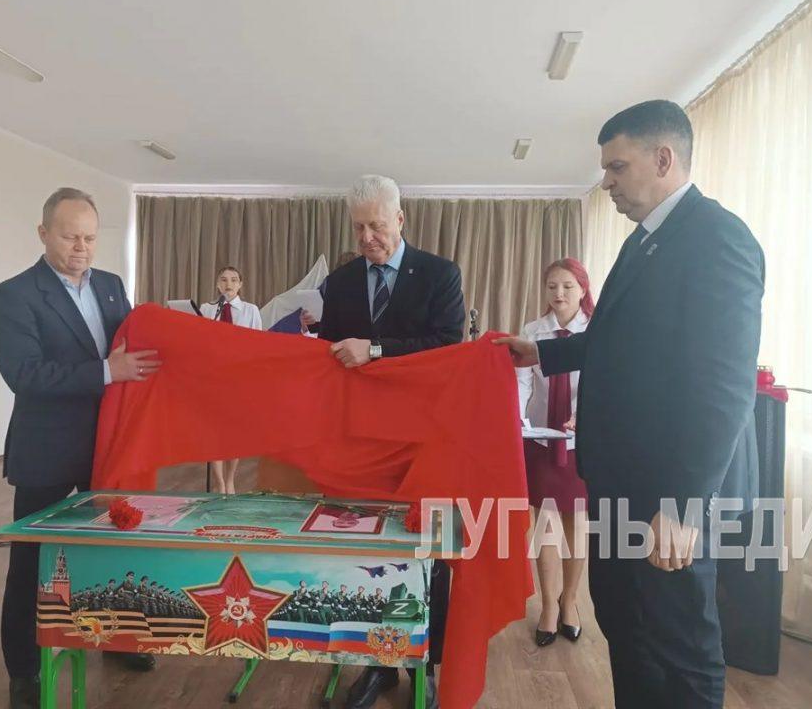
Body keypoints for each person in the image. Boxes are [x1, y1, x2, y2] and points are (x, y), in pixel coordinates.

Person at [496, 100, 763, 709]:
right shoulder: (642, 242)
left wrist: (683, 505)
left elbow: (724, 385)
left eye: (617, 167)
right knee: (625, 623)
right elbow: (616, 339)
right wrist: (540, 352)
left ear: (663, 159)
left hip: (669, 490)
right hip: (620, 482)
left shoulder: (718, 238)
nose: (607, 183)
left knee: (680, 642)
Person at [0, 188, 162, 709]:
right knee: (31, 565)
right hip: (46, 449)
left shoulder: (110, 286)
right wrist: (108, 371)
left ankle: (116, 640)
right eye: (70, 237)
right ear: (43, 233)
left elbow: (131, 346)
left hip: (107, 446)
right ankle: (24, 672)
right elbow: (25, 374)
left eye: (89, 238)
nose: (81, 248)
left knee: (111, 549)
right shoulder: (14, 294)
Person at [319, 175, 464, 709]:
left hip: (426, 437)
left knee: (428, 554)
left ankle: (427, 665)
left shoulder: (441, 274)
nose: (367, 238)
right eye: (358, 228)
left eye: (377, 226)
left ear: (400, 219)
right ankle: (378, 664)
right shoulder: (340, 282)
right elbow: (327, 355)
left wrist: (376, 350)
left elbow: (448, 345)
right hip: (362, 441)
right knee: (370, 553)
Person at [516, 258, 594, 647]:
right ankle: (548, 605)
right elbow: (522, 383)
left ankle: (570, 601)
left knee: (576, 524)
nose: (559, 294)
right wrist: (519, 420)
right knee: (545, 524)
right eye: (552, 287)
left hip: (583, 443)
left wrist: (586, 414)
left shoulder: (596, 331)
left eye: (567, 286)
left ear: (583, 290)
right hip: (541, 440)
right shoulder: (533, 331)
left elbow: (604, 382)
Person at [200, 266, 263, 493]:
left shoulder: (250, 310)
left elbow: (259, 344)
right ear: (218, 284)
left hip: (239, 379)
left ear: (240, 284)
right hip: (214, 378)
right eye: (224, 280)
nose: (229, 284)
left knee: (234, 432)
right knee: (214, 431)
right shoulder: (207, 309)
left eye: (234, 280)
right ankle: (218, 482)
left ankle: (230, 479)